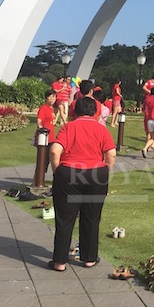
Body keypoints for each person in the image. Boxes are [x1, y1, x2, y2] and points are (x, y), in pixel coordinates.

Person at [48, 97, 116, 271]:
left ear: (75, 111)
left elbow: (55, 150)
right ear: (95, 112)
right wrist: (106, 171)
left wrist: (57, 171)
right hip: (95, 173)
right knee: (92, 217)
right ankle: (89, 258)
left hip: (69, 173)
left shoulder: (68, 127)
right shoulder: (101, 129)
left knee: (64, 218)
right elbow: (111, 154)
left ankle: (59, 261)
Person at [35, 88, 57, 177]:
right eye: (50, 97)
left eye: (54, 97)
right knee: (43, 160)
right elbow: (39, 120)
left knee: (48, 159)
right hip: (44, 138)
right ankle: (38, 179)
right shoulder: (43, 108)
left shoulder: (51, 109)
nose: (52, 99)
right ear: (46, 98)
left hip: (51, 137)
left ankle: (41, 177)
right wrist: (41, 130)